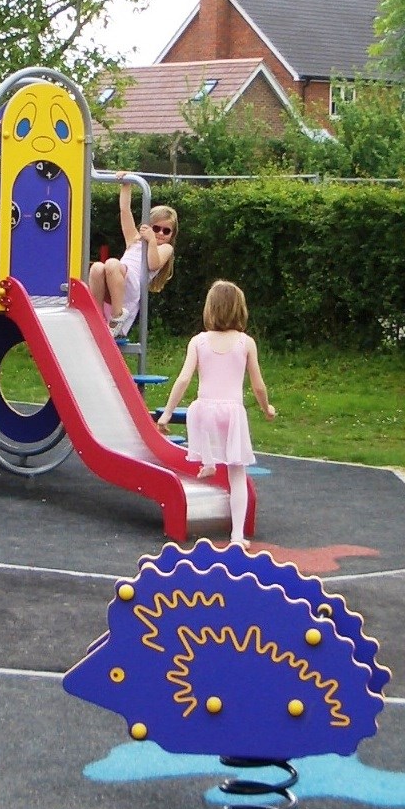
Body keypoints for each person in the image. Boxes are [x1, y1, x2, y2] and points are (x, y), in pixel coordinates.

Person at [157, 279, 277, 547]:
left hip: (204, 411)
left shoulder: (198, 341)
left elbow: (184, 379)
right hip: (232, 412)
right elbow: (258, 384)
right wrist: (266, 407)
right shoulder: (246, 343)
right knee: (237, 475)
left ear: (210, 309)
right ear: (240, 310)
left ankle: (209, 462)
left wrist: (167, 413)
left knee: (202, 419)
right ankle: (237, 536)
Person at [87, 180, 176, 337]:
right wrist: (126, 185)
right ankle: (98, 317)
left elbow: (153, 264)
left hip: (132, 285)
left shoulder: (165, 248)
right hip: (116, 282)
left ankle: (117, 315)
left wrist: (152, 241)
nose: (161, 233)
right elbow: (125, 211)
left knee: (112, 263)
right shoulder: (134, 239)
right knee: (96, 268)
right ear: (147, 226)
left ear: (171, 234)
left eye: (166, 231)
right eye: (156, 228)